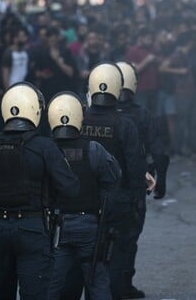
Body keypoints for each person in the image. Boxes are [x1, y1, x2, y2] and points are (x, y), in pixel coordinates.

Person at [0, 82, 80, 300]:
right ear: (35, 110)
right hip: (33, 229)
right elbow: (70, 188)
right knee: (35, 293)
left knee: (0, 291)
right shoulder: (44, 147)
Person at [81, 63, 146, 300]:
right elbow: (136, 167)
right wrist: (136, 201)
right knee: (117, 255)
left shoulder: (79, 119)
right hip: (118, 202)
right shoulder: (125, 124)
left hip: (83, 202)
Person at [46, 91, 121, 300]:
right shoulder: (93, 149)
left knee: (51, 284)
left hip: (57, 227)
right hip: (89, 224)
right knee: (97, 283)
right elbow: (113, 178)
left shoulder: (46, 150)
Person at [115, 61, 163, 299]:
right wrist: (158, 180)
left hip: (103, 187)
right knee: (129, 238)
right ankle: (123, 284)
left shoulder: (92, 114)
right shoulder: (141, 114)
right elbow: (159, 151)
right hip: (134, 186)